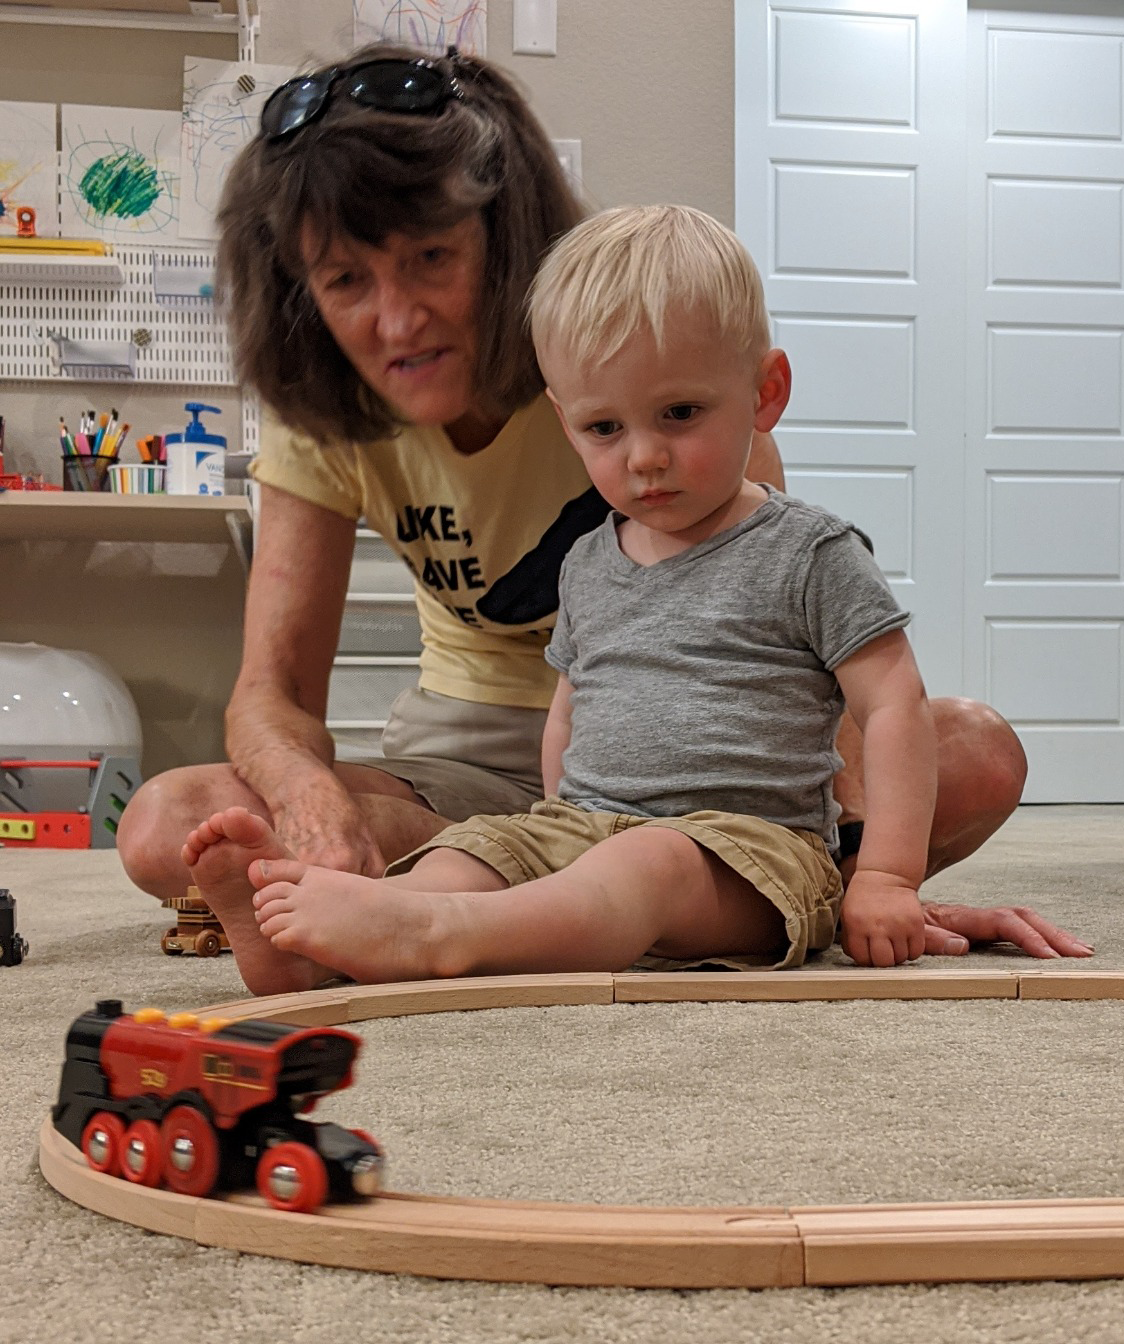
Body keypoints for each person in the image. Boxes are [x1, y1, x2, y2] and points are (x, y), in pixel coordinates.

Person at [115, 42, 1084, 963]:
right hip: (498, 773)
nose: (395, 320)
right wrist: (310, 809)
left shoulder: (644, 354)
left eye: (429, 261)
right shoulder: (336, 415)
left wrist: (871, 871)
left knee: (976, 749)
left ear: (499, 239)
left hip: (719, 762)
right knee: (168, 823)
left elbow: (797, 661)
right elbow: (273, 694)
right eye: (345, 281)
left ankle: (506, 904)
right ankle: (413, 905)